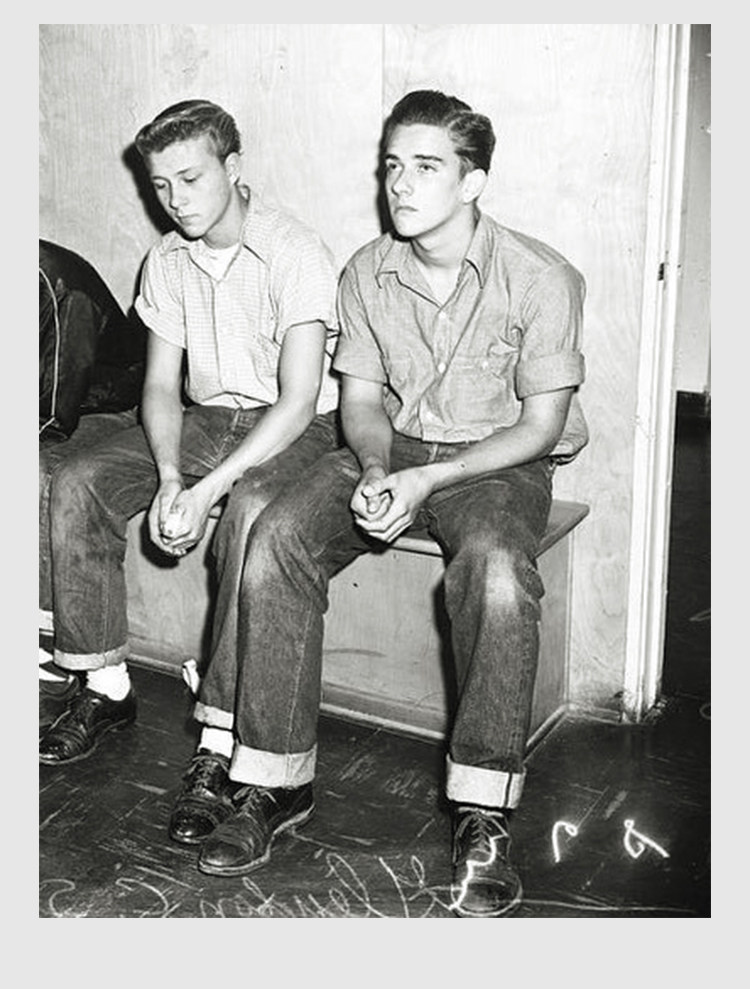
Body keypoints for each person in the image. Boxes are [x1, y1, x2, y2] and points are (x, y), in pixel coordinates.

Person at [169, 89, 589, 918]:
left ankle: (483, 810)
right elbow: (360, 404)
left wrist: (430, 480)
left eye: (426, 167)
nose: (400, 184)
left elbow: (540, 427)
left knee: (497, 572)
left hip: (495, 462)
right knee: (277, 534)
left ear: (473, 182)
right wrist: (371, 468)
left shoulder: (542, 276)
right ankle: (274, 780)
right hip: (390, 448)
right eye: (393, 165)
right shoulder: (366, 269)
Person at [39, 100, 341, 777]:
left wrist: (207, 492)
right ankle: (104, 684)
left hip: (297, 428)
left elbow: (298, 402)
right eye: (161, 185)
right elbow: (158, 387)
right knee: (80, 479)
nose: (175, 200)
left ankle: (223, 730)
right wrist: (172, 476)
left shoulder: (294, 250)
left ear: (233, 168)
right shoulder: (168, 258)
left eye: (190, 178)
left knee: (250, 512)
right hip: (209, 419)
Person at [39, 239, 147, 728]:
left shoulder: (57, 284)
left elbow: (49, 417)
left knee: (37, 471)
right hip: (59, 403)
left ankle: (46, 653)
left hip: (107, 407)